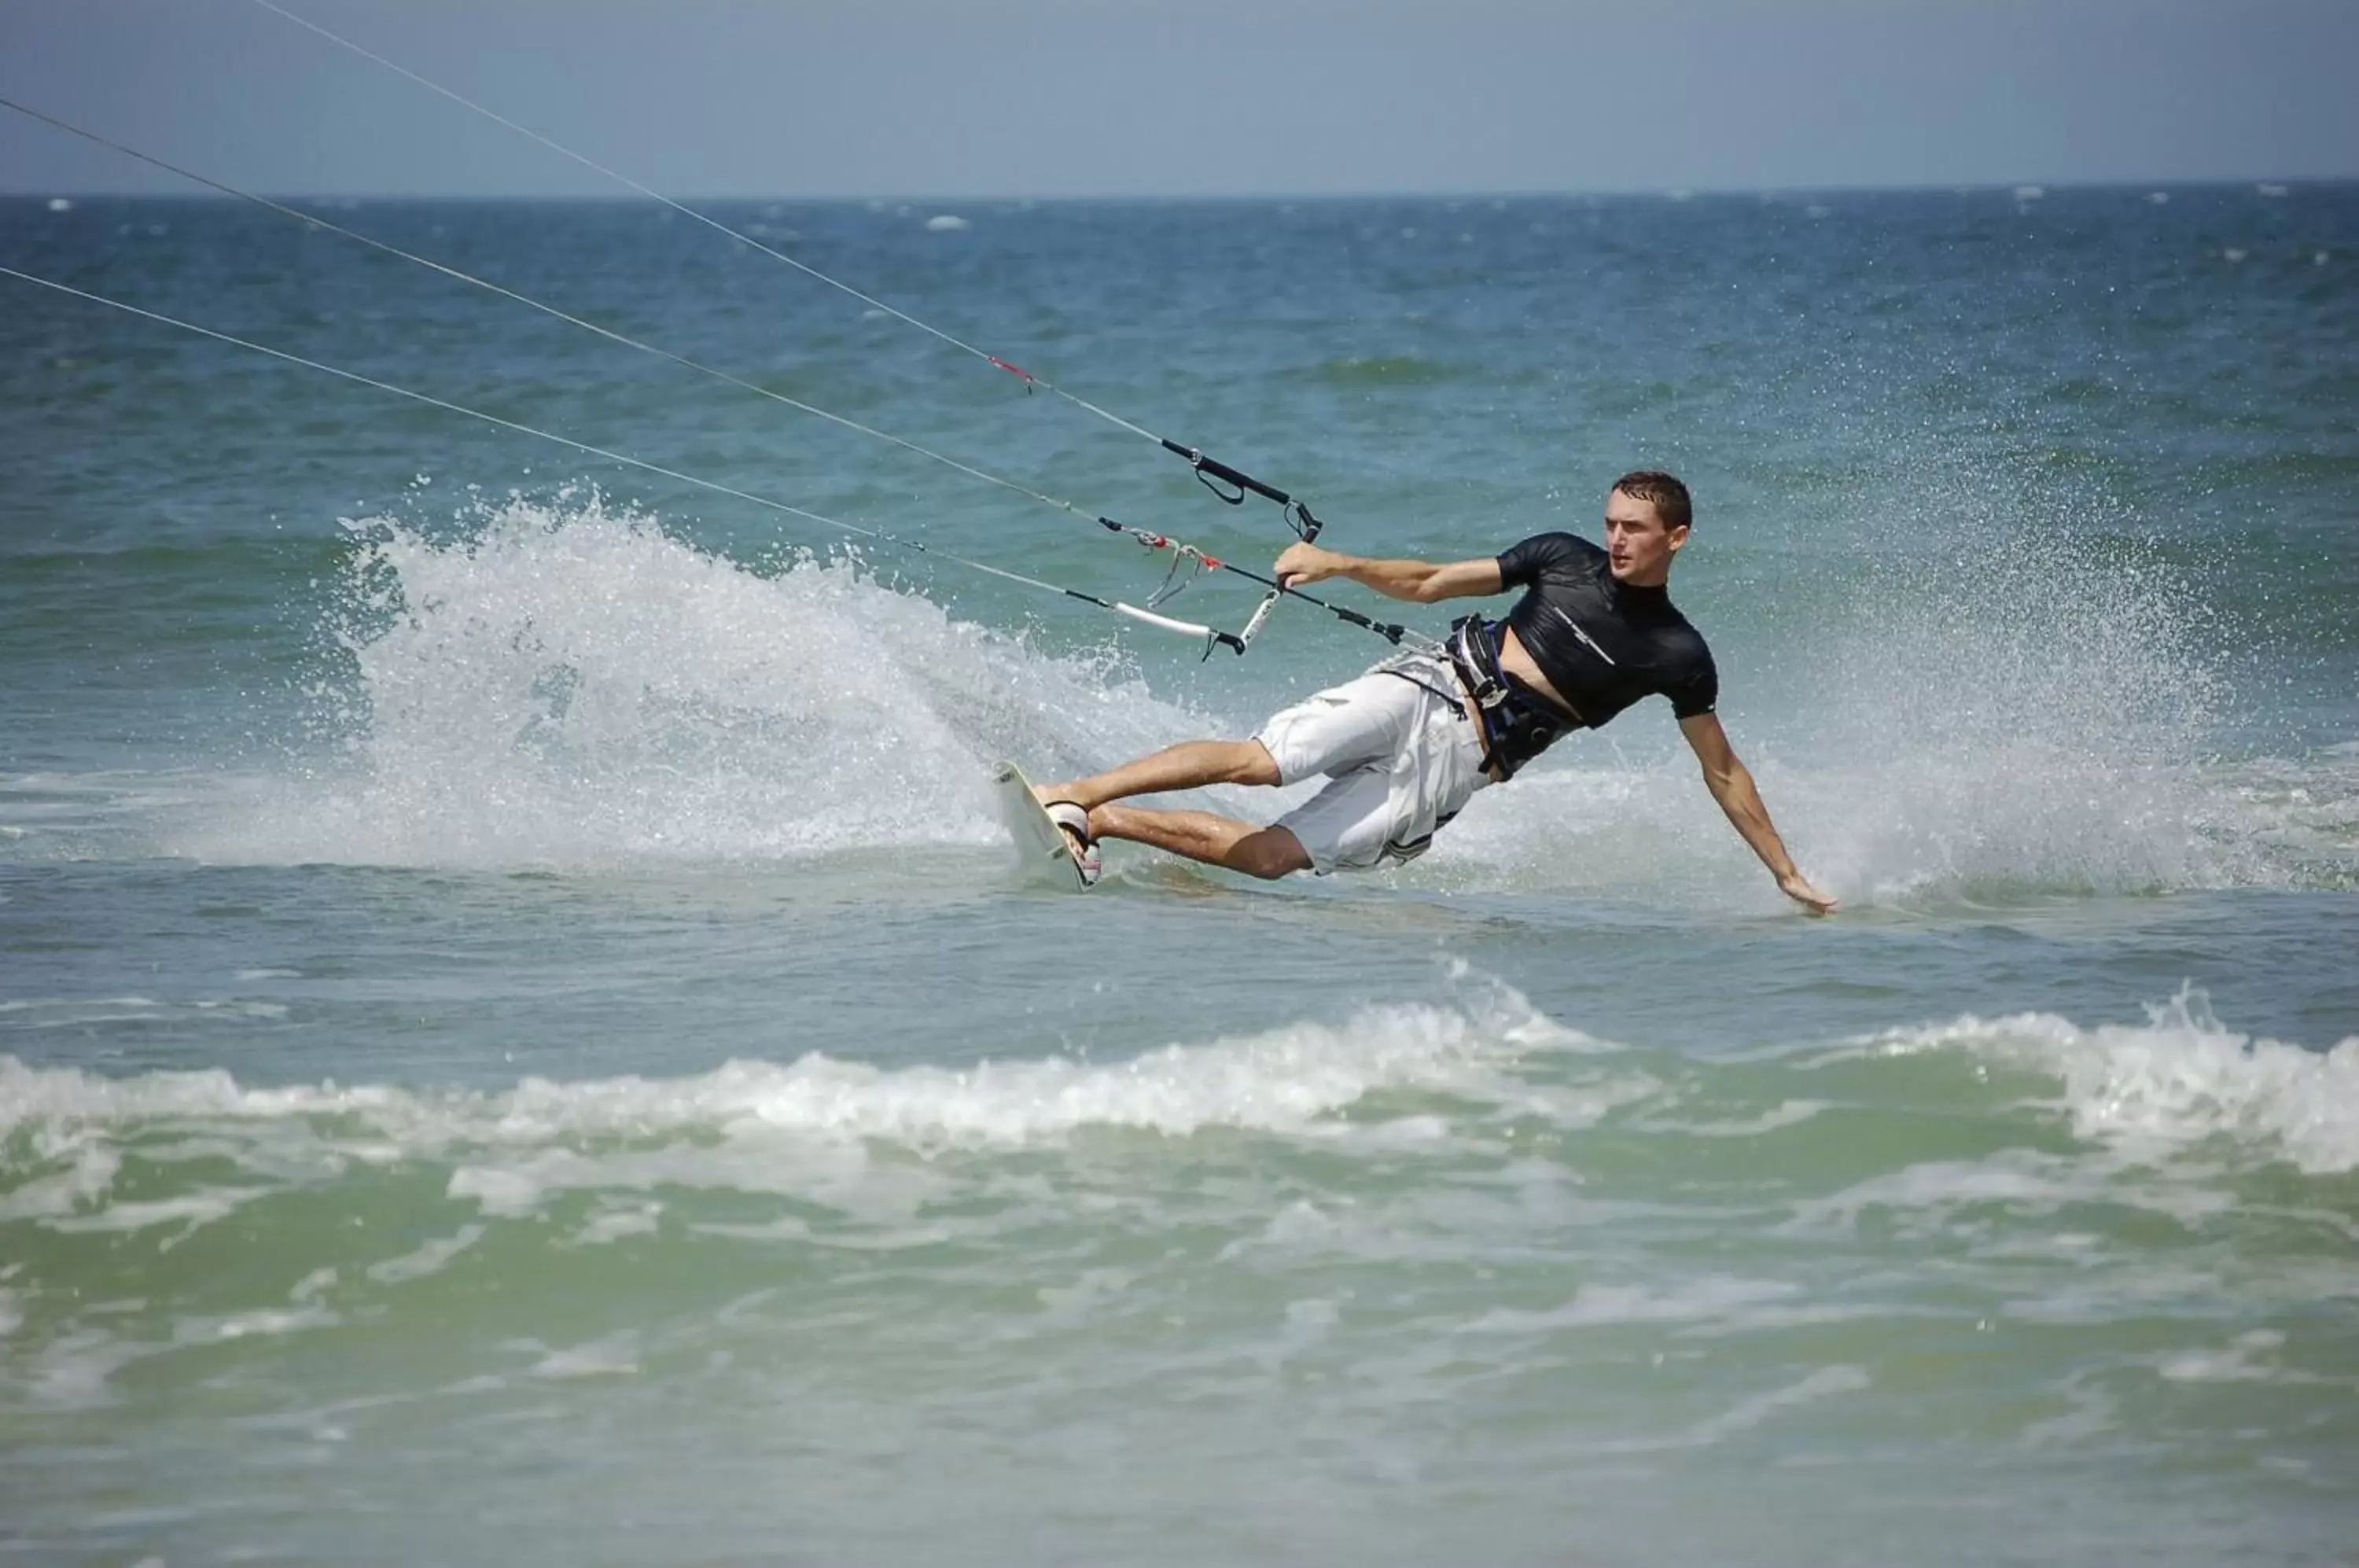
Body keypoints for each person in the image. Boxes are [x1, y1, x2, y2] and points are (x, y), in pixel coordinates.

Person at [1036, 471, 1837, 914]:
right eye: (1612, 522)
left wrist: (1784, 871)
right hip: (1427, 686)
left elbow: (1724, 771)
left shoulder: (1677, 652)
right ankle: (1070, 791)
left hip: (1459, 766)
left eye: (1634, 528)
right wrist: (1342, 563)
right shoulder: (1562, 559)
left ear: (1677, 538)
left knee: (1275, 857)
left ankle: (1101, 820)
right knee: (1262, 762)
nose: (1617, 539)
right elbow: (1428, 582)